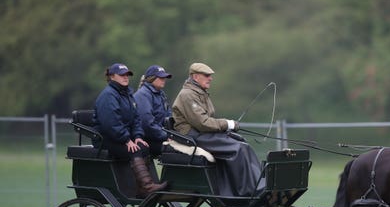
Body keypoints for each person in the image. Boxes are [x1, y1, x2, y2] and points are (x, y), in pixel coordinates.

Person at [171, 62, 264, 196]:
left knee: (243, 144)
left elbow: (206, 121)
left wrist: (226, 126)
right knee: (238, 149)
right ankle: (246, 192)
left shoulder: (200, 93)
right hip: (193, 136)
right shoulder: (187, 95)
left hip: (202, 133)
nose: (211, 78)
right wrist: (227, 124)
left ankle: (259, 185)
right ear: (195, 77)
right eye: (207, 75)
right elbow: (202, 123)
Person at [93, 62, 167, 196]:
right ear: (112, 77)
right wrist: (127, 140)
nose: (126, 77)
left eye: (127, 74)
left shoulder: (127, 94)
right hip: (106, 139)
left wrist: (138, 137)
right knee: (136, 150)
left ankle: (143, 186)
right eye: (122, 75)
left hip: (121, 137)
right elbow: (111, 124)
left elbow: (136, 118)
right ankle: (146, 187)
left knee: (144, 147)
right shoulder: (108, 95)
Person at [134, 64, 173, 157]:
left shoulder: (160, 94)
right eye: (161, 77)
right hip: (148, 139)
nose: (164, 80)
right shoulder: (143, 95)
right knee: (178, 152)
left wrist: (175, 135)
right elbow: (147, 124)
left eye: (165, 77)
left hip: (159, 137)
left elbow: (169, 117)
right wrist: (166, 136)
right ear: (151, 78)